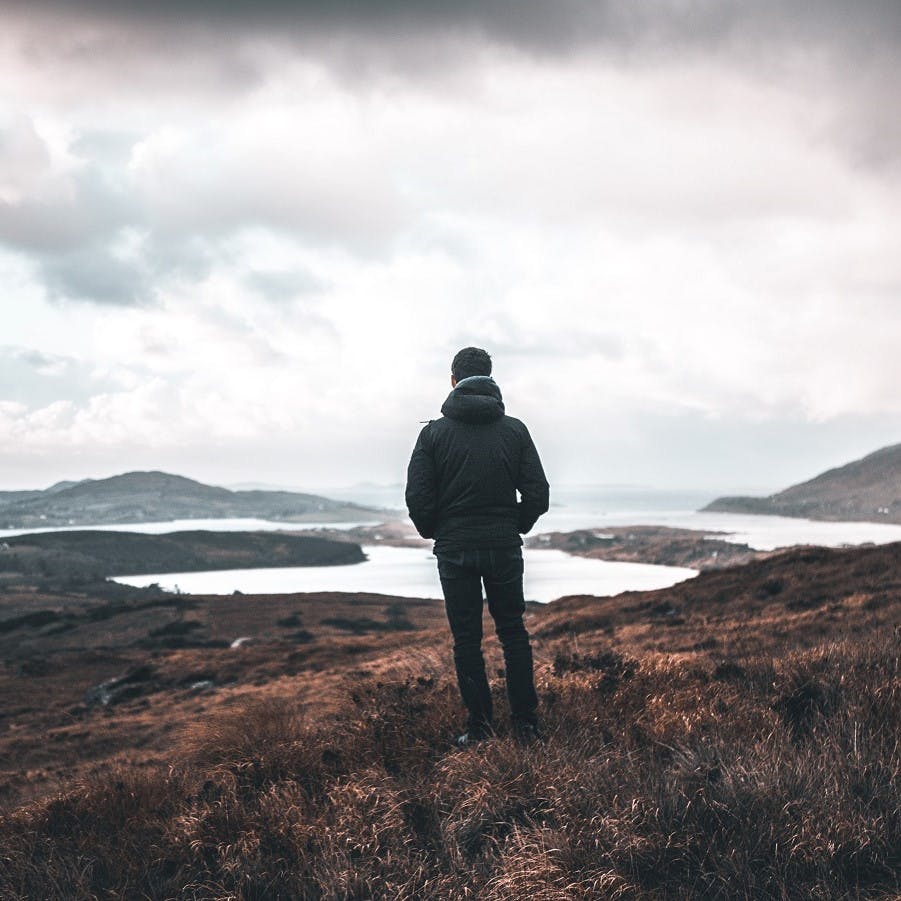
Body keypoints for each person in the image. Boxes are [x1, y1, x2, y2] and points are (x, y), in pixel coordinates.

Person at [405, 347, 550, 747]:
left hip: (455, 551)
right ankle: (526, 726)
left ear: (453, 380)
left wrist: (439, 533)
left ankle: (480, 729)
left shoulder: (433, 434)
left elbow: (418, 499)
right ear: (490, 378)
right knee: (513, 632)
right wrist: (513, 525)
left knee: (466, 641)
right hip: (503, 545)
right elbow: (538, 493)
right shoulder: (515, 430)